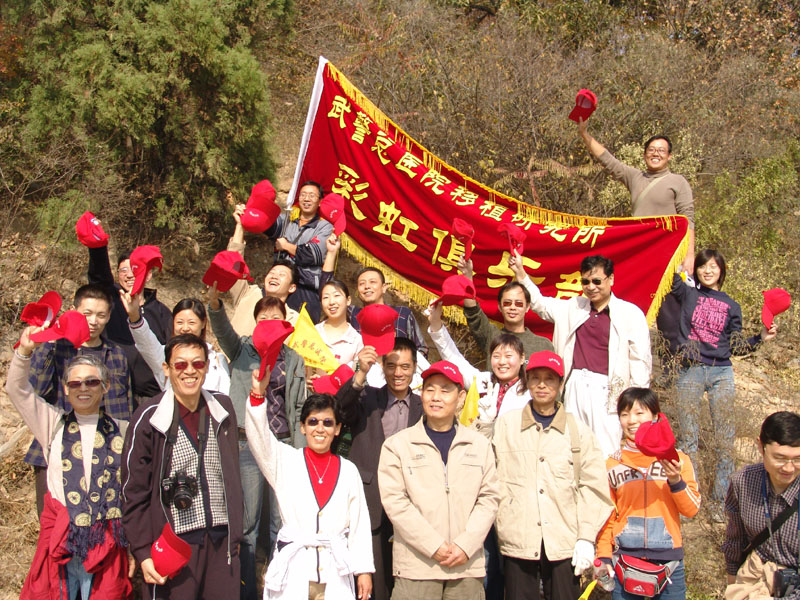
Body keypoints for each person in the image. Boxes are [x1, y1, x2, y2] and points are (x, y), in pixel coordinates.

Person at [8, 329, 133, 599]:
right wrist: (24, 352)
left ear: (105, 386)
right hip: (62, 540)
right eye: (75, 384)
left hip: (107, 543)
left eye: (91, 382)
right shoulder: (52, 423)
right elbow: (17, 390)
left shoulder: (124, 430)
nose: (83, 388)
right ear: (66, 389)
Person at [122, 333, 243, 599]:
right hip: (173, 545)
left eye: (197, 364)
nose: (189, 371)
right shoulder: (148, 419)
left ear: (207, 366)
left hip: (222, 542)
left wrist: (236, 535)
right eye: (180, 365)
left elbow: (232, 475)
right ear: (166, 369)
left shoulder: (222, 408)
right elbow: (134, 492)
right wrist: (142, 551)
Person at [207, 286, 307, 599]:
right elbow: (221, 328)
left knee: (282, 522)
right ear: (255, 322)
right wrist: (214, 301)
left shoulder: (293, 359)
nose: (269, 323)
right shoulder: (241, 350)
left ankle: (281, 589)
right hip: (246, 443)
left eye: (275, 318)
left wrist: (301, 451)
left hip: (282, 445)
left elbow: (300, 406)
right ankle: (247, 590)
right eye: (263, 318)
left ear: (286, 322)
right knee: (248, 524)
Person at [492, 350, 613, 600]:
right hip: (518, 539)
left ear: (560, 384)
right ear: (527, 381)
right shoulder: (505, 426)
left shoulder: (578, 431)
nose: (542, 385)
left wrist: (586, 537)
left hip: (564, 541)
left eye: (550, 378)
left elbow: (593, 488)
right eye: (535, 378)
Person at [378, 360, 500, 600]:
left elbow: (489, 499)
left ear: (461, 397)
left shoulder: (479, 445)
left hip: (465, 567)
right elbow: (396, 503)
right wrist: (434, 546)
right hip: (416, 568)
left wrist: (466, 545)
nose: (436, 397)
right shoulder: (398, 446)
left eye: (445, 390)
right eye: (429, 389)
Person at [246, 371, 374, 599]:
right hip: (295, 569)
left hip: (335, 569)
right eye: (313, 422)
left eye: (327, 423)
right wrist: (257, 395)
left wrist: (363, 569)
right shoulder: (285, 460)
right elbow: (259, 438)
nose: (320, 428)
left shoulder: (348, 470)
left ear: (337, 429)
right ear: (303, 427)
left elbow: (359, 522)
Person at [510, 252, 651, 456]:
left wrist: (637, 403)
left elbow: (640, 361)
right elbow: (540, 304)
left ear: (610, 279)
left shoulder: (630, 314)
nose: (591, 287)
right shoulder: (573, 307)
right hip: (574, 386)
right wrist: (521, 273)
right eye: (585, 281)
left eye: (596, 281)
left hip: (609, 391)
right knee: (573, 448)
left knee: (606, 451)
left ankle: (607, 488)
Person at [576, 122, 695, 356]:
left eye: (661, 150)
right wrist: (584, 133)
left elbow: (687, 220)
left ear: (669, 156)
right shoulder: (634, 176)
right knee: (632, 307)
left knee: (668, 314)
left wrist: (689, 255)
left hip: (667, 259)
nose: (656, 153)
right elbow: (607, 159)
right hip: (639, 257)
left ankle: (670, 366)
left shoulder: (678, 182)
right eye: (651, 149)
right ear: (644, 154)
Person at [670, 249, 778, 504]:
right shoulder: (687, 292)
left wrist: (761, 338)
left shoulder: (732, 305)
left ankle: (720, 502)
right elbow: (670, 272)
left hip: (721, 372)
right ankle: (690, 497)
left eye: (713, 266)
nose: (707, 271)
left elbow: (736, 346)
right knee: (688, 439)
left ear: (722, 270)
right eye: (702, 266)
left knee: (725, 438)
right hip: (690, 369)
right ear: (695, 269)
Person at [25, 284, 132, 516]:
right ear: (73, 311)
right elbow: (35, 391)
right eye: (87, 314)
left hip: (105, 452)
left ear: (109, 317)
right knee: (55, 527)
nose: (93, 321)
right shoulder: (57, 348)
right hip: (57, 449)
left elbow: (123, 408)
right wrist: (48, 343)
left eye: (101, 315)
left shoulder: (116, 354)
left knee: (101, 527)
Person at [335, 337, 423, 600]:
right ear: (382, 365)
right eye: (392, 365)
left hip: (411, 502)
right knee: (373, 580)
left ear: (415, 368)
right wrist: (360, 372)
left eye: (405, 367)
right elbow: (341, 409)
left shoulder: (423, 406)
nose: (398, 373)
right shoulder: (368, 398)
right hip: (370, 499)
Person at [596, 388, 701, 600]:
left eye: (639, 413)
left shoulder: (677, 460)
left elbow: (691, 510)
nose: (631, 421)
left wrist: (675, 481)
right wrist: (604, 556)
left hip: (668, 562)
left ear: (655, 416)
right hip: (624, 560)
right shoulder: (612, 464)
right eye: (624, 414)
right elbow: (607, 516)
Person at [86, 230, 172, 404]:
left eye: (135, 269)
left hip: (151, 397)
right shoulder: (111, 300)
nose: (129, 274)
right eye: (123, 270)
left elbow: (172, 351)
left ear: (148, 274)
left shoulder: (162, 313)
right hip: (114, 393)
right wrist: (97, 247)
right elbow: (99, 279)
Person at [723, 412, 800, 597]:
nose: (789, 468)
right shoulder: (744, 481)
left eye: (797, 459)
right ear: (761, 446)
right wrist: (733, 585)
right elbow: (735, 540)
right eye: (780, 458)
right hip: (754, 579)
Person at [122, 293, 231, 395]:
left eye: (191, 322)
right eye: (179, 322)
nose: (185, 328)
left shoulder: (217, 359)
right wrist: (134, 315)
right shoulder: (165, 355)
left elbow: (226, 397)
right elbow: (146, 342)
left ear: (203, 323)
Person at [457, 256, 553, 370]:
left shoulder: (543, 345)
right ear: (500, 307)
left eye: (518, 304)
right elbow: (472, 313)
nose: (513, 307)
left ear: (527, 307)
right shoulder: (491, 335)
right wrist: (467, 276)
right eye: (507, 303)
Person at [261, 180, 334, 323]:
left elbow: (312, 254)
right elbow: (267, 225)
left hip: (305, 290)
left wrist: (286, 246)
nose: (306, 199)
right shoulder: (287, 221)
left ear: (320, 202)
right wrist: (256, 208)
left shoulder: (324, 227)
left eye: (312, 196)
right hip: (280, 286)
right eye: (303, 195)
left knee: (299, 336)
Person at [228, 203, 301, 333]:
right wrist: (240, 226)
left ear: (292, 287)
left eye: (282, 275)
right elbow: (234, 265)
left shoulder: (294, 320)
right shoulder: (247, 294)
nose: (275, 276)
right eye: (272, 272)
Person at [316, 279, 364, 368]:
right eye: (326, 297)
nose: (331, 302)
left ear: (348, 300)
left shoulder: (357, 340)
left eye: (336, 295)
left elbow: (357, 372)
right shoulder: (312, 332)